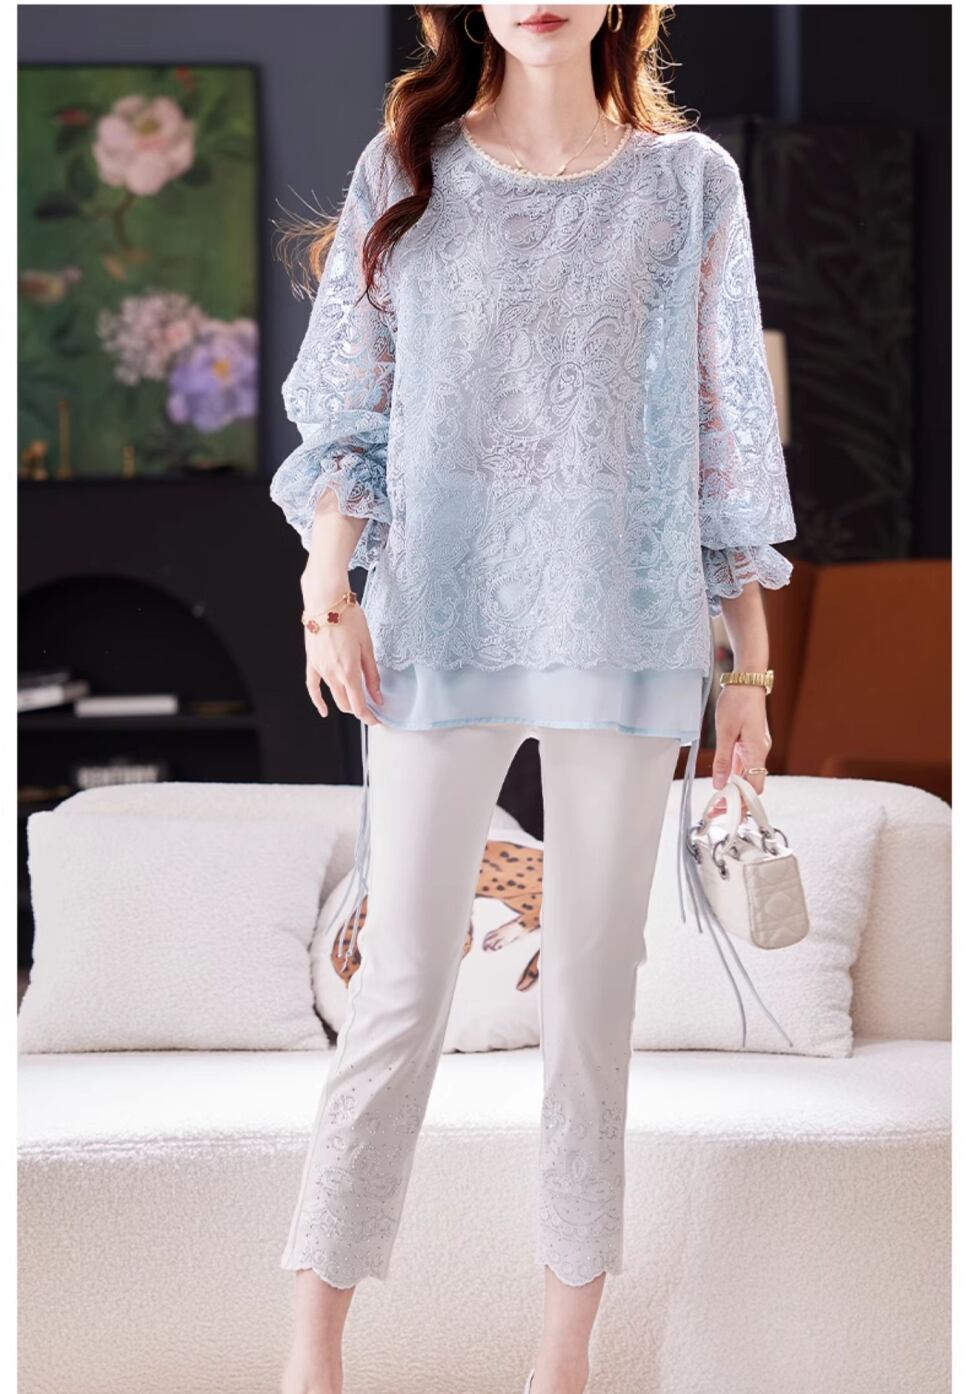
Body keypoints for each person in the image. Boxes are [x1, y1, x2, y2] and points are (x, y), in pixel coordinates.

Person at [270, 6, 796, 1393]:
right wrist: (329, 585)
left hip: (628, 624)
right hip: (437, 615)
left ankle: (561, 1369)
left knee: (591, 999)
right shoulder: (409, 166)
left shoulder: (689, 185)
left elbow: (724, 437)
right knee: (400, 984)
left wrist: (745, 669)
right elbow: (352, 414)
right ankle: (311, 1360)